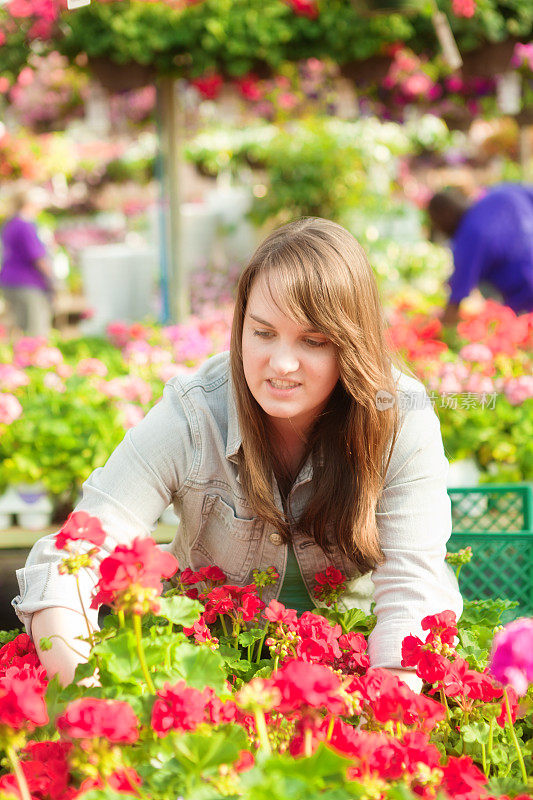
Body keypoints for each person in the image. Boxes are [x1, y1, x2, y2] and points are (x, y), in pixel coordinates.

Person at [12, 217, 462, 692]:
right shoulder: (194, 411)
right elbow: (68, 561)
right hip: (207, 670)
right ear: (240, 326)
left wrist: (378, 724)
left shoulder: (396, 417)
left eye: (312, 341)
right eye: (263, 333)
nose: (281, 364)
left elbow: (412, 594)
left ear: (350, 344)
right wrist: (94, 695)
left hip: (358, 671)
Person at [427, 183, 533, 326]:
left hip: (526, 294)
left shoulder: (469, 235)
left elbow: (456, 299)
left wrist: (438, 328)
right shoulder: (501, 194)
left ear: (446, 217)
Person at [0, 187, 54, 337]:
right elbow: (38, 257)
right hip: (27, 283)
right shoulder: (25, 225)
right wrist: (53, 280)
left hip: (10, 281)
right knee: (36, 331)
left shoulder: (10, 223)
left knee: (18, 329)